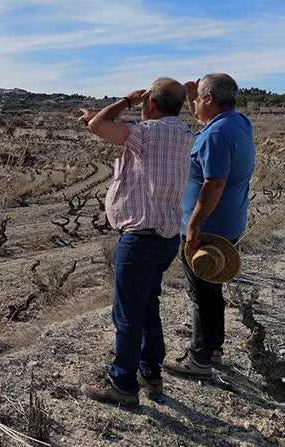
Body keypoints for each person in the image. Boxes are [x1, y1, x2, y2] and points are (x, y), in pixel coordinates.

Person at [77, 78, 195, 406]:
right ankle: (150, 374)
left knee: (127, 313)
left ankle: (123, 384)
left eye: (145, 102)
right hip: (166, 238)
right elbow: (103, 126)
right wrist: (97, 118)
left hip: (140, 239)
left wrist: (126, 100)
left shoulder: (147, 133)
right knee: (147, 308)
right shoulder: (184, 135)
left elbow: (101, 126)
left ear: (151, 105)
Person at [163, 73, 256, 379]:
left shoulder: (215, 136)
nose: (194, 105)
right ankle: (213, 347)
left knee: (201, 292)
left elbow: (214, 184)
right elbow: (204, 117)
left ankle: (199, 359)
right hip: (229, 223)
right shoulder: (237, 122)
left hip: (208, 228)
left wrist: (193, 225)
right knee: (212, 286)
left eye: (199, 97)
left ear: (210, 99)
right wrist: (193, 91)